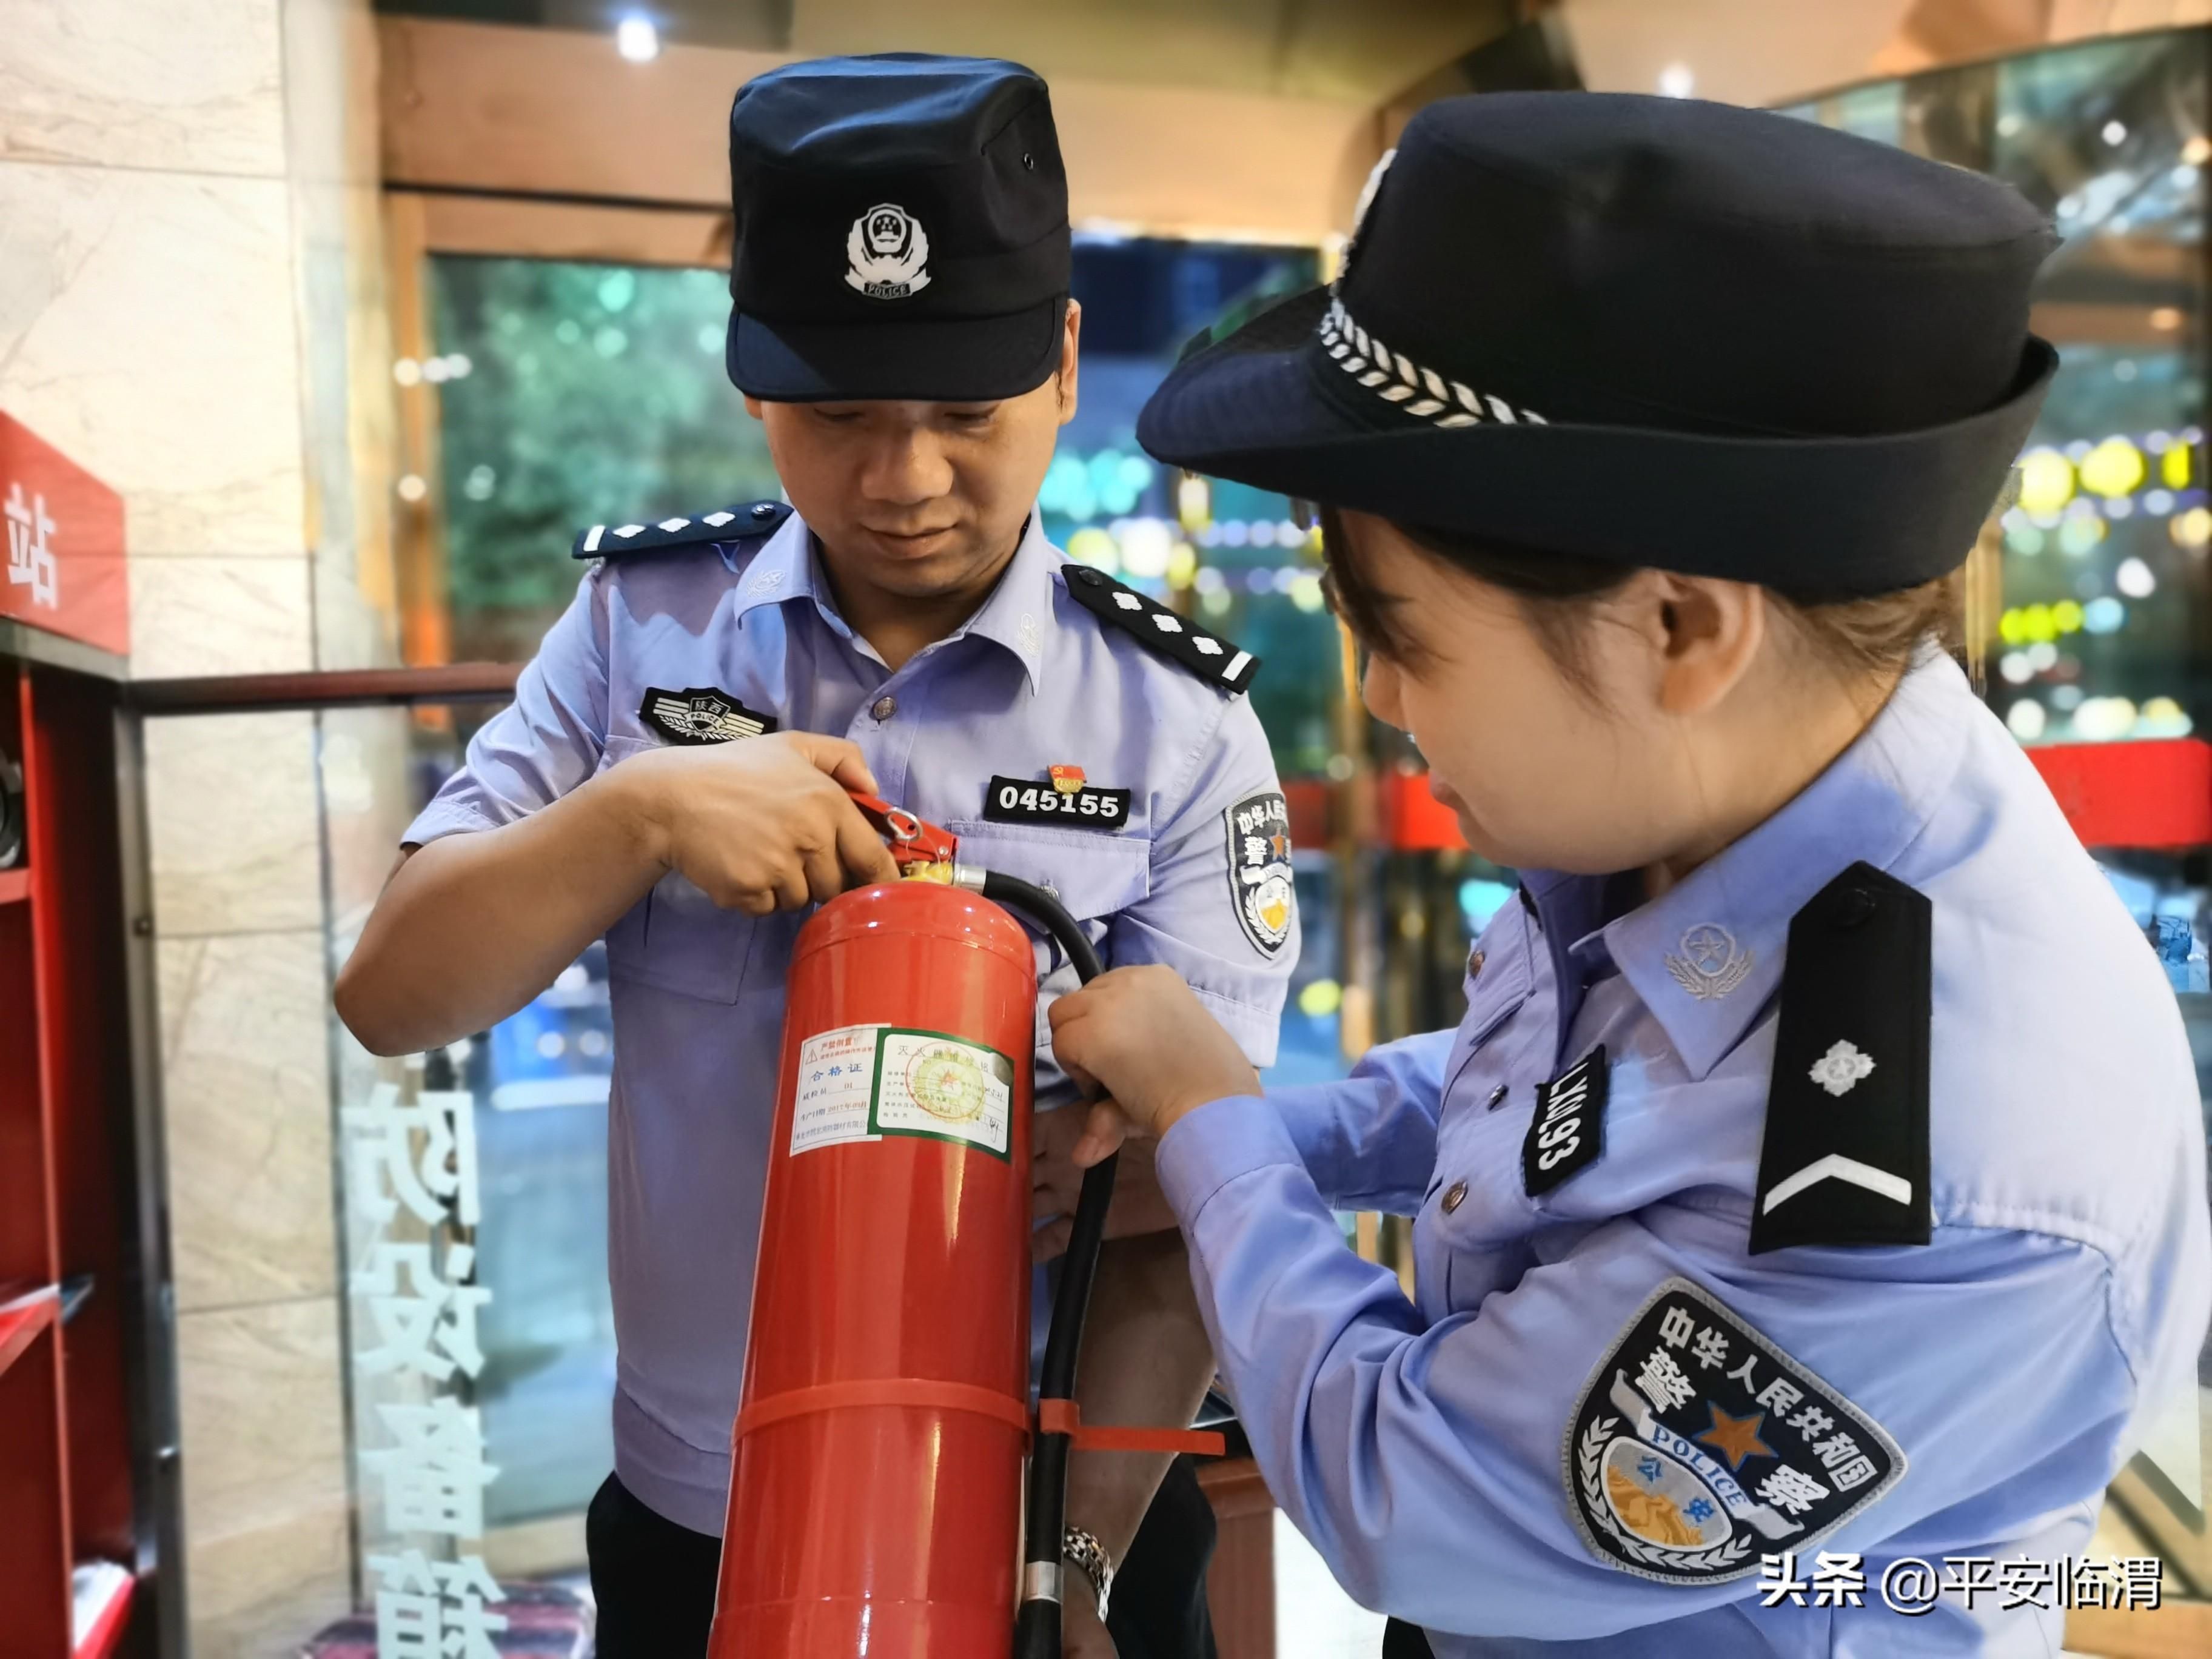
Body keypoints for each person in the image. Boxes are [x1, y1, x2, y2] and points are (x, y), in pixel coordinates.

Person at [1046, 92, 2212, 1655]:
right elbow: (1567, 1094)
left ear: (1680, 629)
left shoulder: (1956, 1163)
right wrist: (1298, 1136)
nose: (1381, 701)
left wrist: (1211, 1130)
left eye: (1399, 631)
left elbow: (1419, 1487)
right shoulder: (1740, 795)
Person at [335, 53, 1293, 1659]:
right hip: (699, 1522)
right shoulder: (639, 638)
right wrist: (637, 813)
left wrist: (1069, 1570)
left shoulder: (1176, 726)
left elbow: (1201, 1202)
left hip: (1051, 1513)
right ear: (753, 383)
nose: (905, 479)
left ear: (1064, 362)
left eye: (965, 415)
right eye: (841, 415)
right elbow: (392, 990)